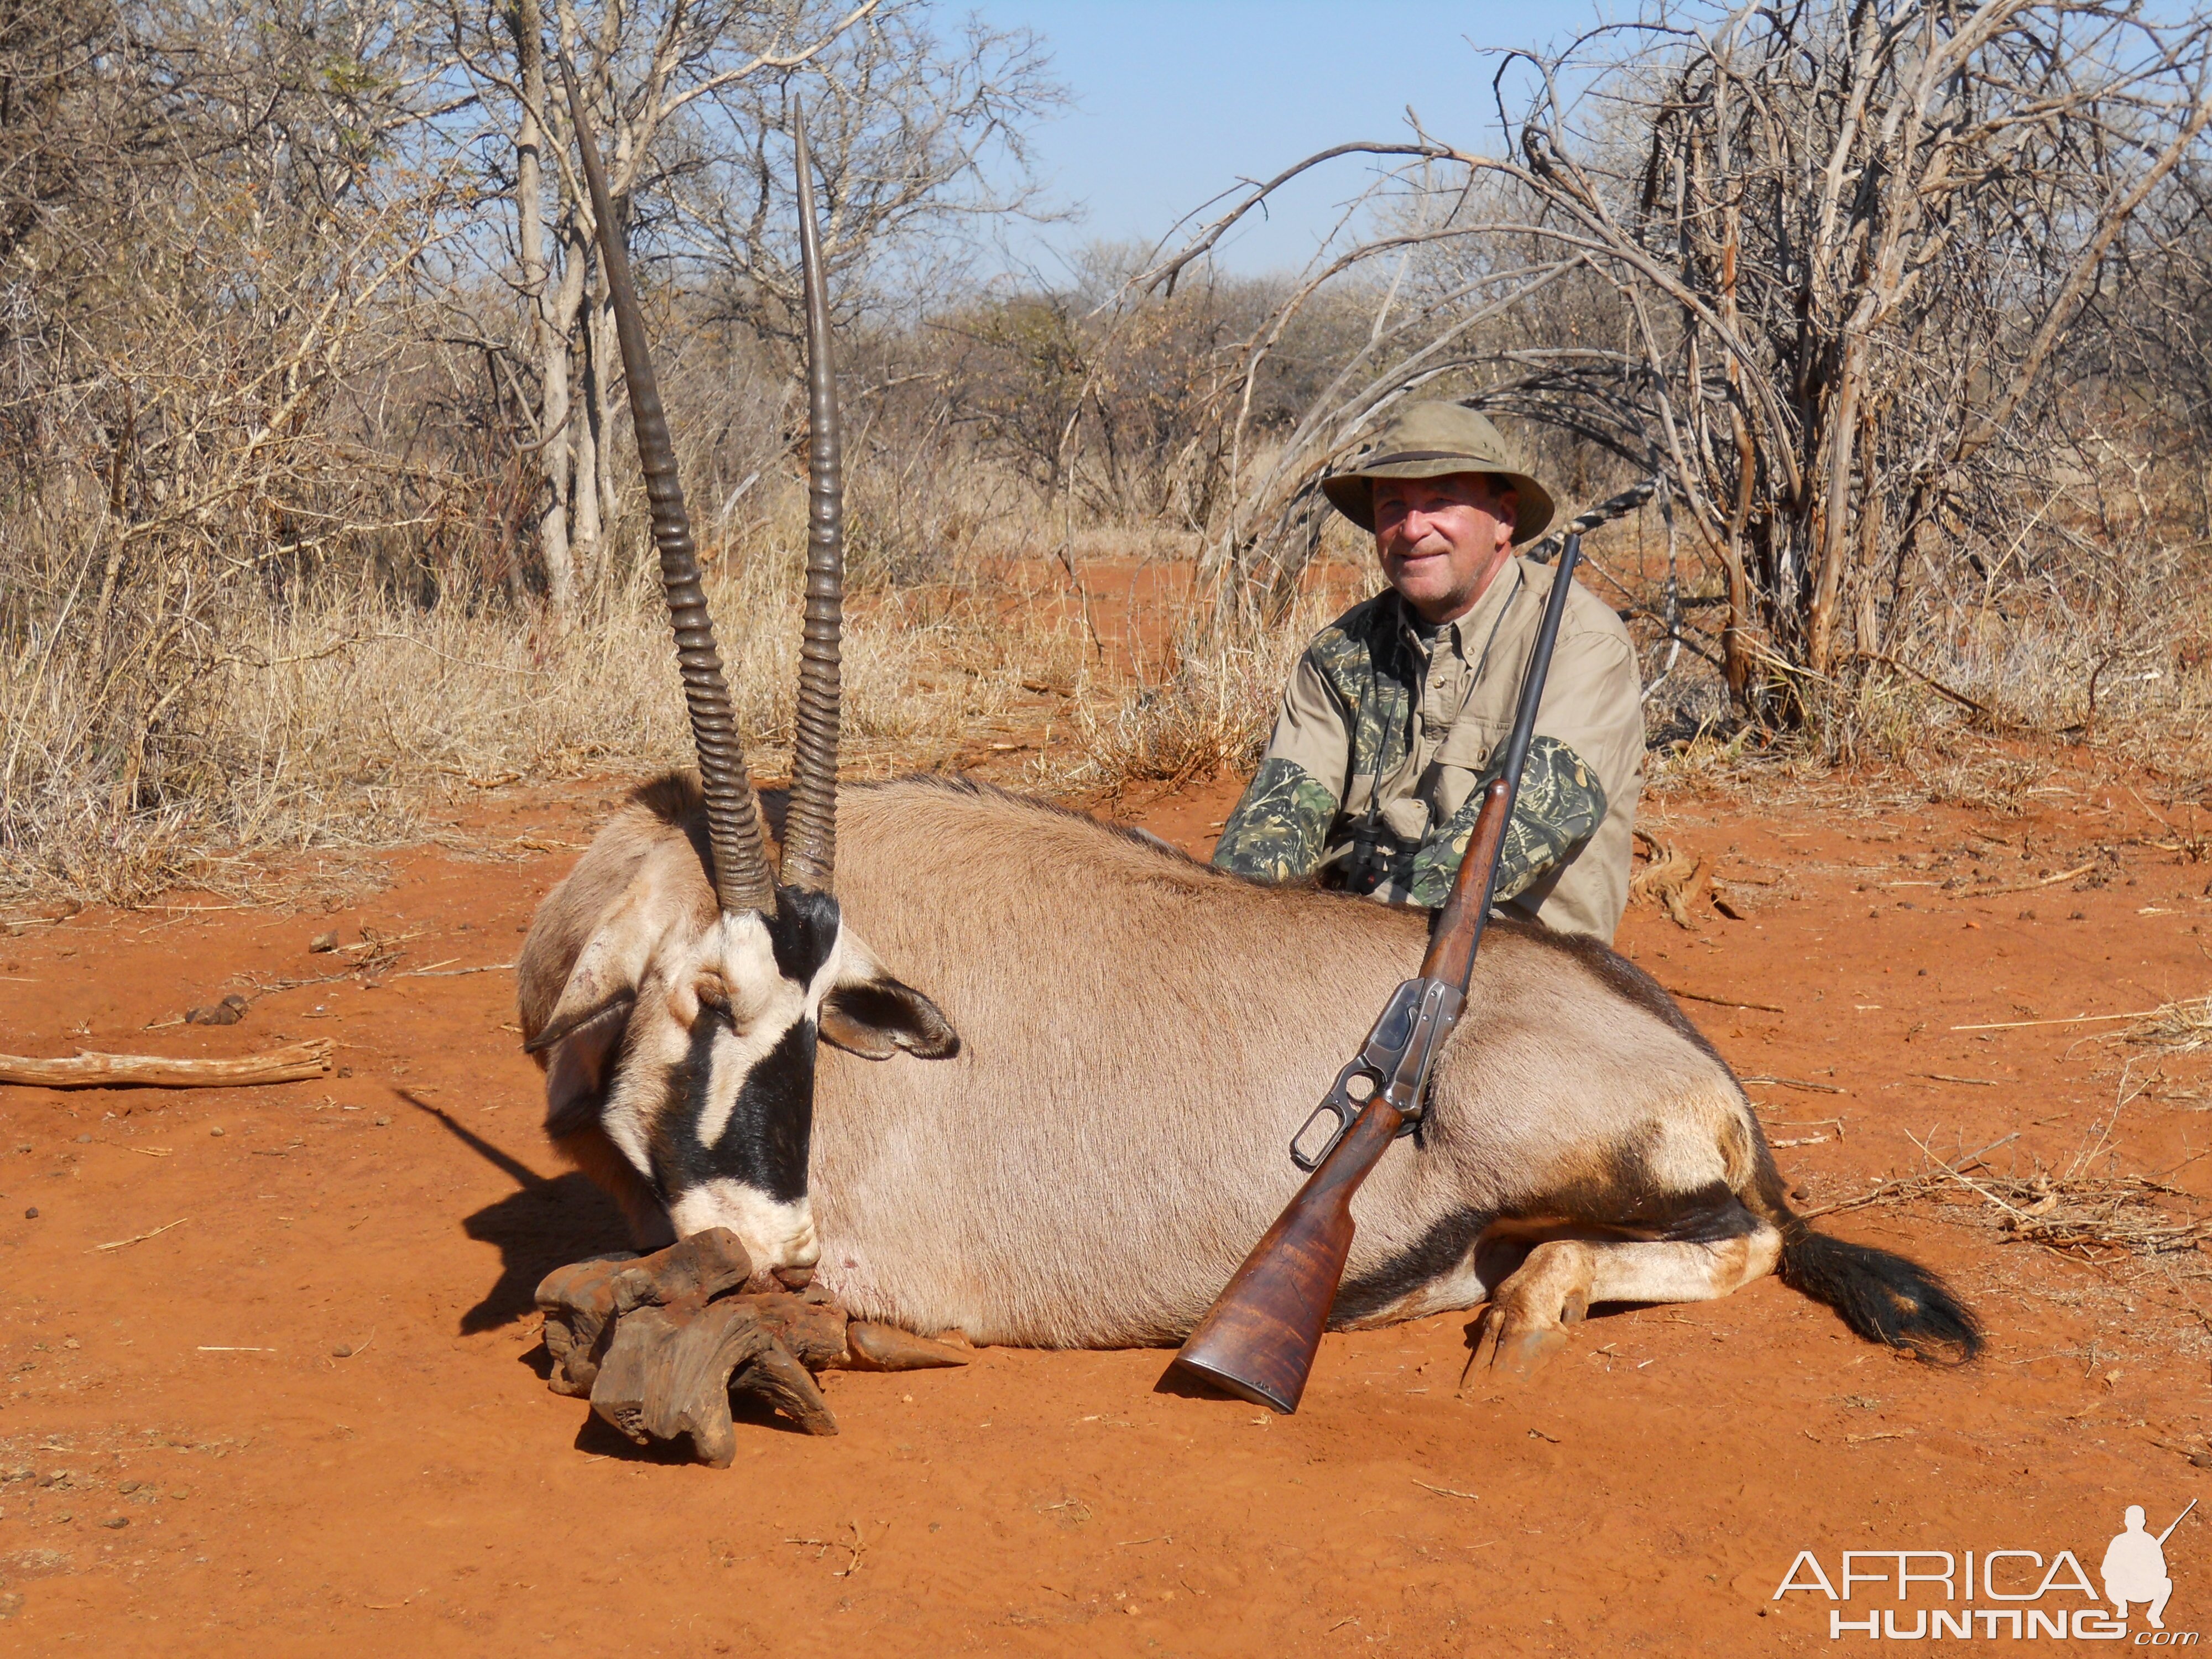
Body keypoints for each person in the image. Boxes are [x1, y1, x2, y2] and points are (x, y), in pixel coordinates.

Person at [1211, 400, 1642, 940]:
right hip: (1345, 942)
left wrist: (1359, 942)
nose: (1412, 529)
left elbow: (1525, 826)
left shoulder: (1579, 642)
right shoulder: (1339, 652)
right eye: (1392, 505)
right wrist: (1227, 930)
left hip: (1515, 962)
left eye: (1440, 502)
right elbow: (1275, 822)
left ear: (1504, 518)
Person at [2103, 1505, 2175, 1629]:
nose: (2134, 1524)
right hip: (2123, 1589)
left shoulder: (2150, 1541)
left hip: (2145, 1588)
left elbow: (2162, 1571)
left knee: (2166, 1583)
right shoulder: (2119, 1541)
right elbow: (2105, 1570)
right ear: (2126, 1522)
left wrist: (2145, 1570)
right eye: (2132, 1521)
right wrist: (2124, 1572)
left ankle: (2154, 1615)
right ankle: (2121, 1605)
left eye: (2137, 1521)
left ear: (2143, 1522)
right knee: (2110, 1582)